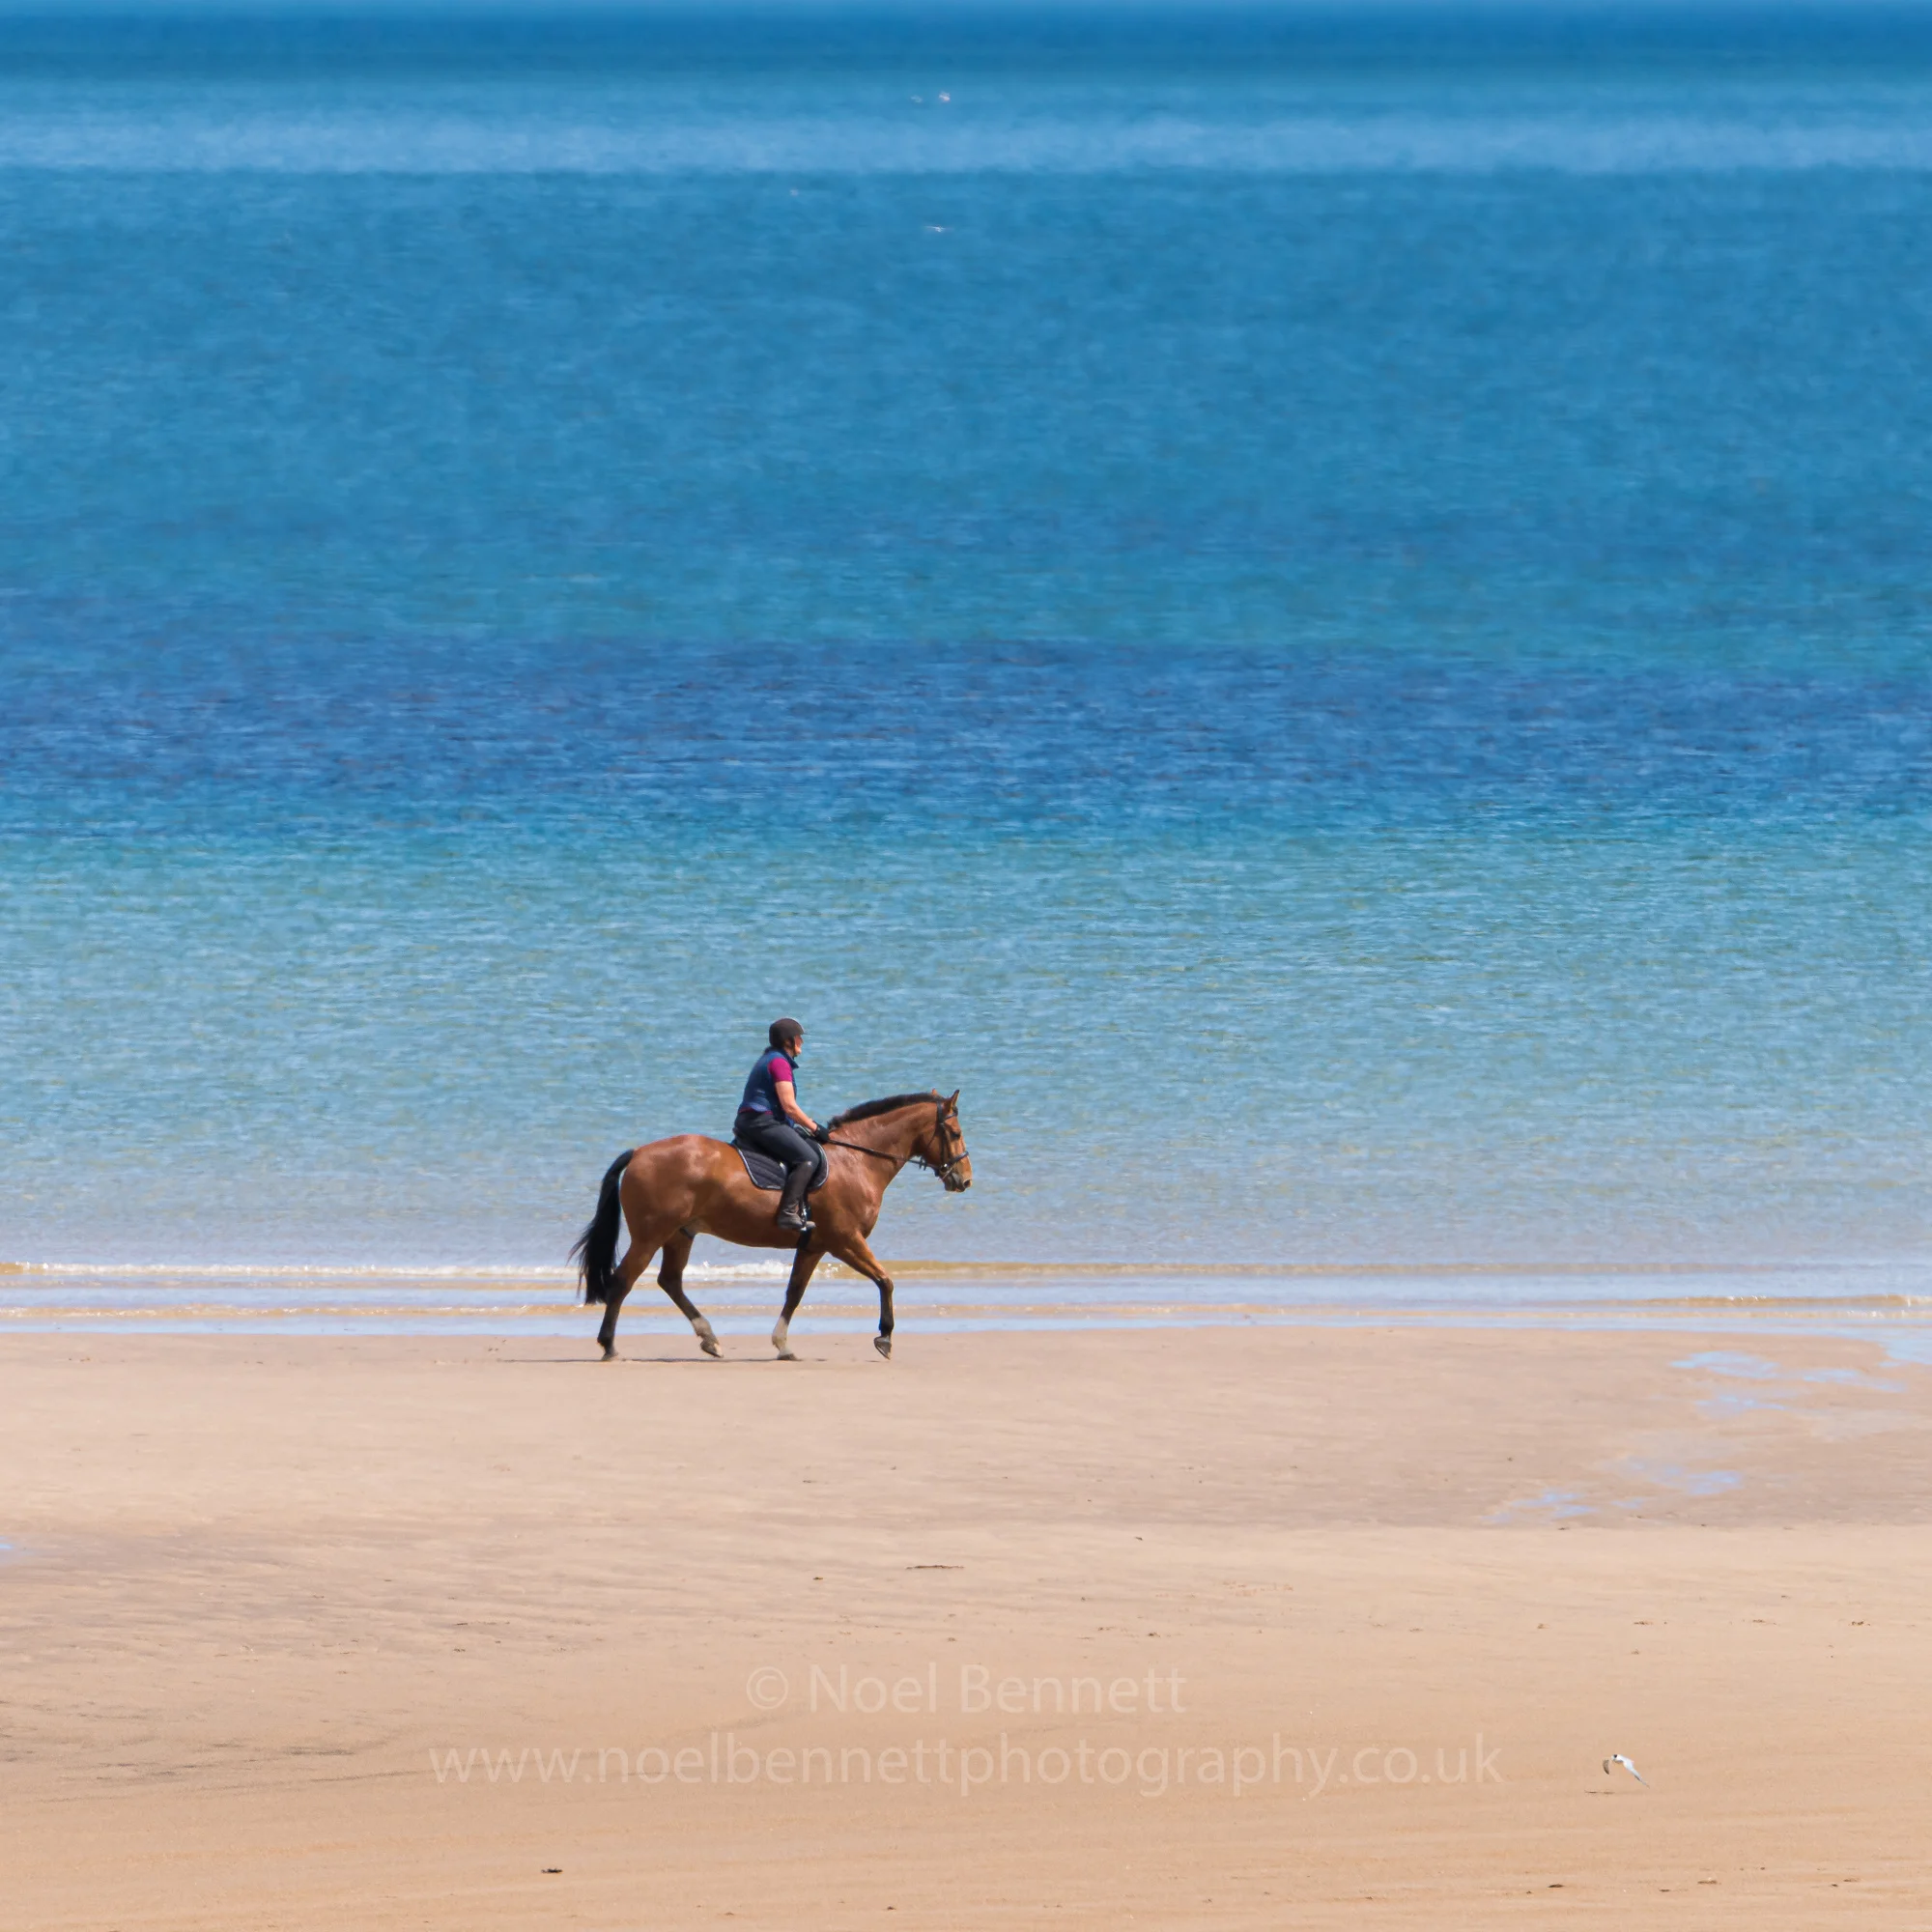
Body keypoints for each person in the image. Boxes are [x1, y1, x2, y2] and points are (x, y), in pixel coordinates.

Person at [733, 1018, 826, 1235]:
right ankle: (787, 1212)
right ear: (788, 1041)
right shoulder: (779, 1063)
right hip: (761, 1122)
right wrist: (815, 1128)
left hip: (756, 1121)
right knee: (807, 1158)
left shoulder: (772, 1058)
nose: (801, 1041)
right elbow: (789, 1106)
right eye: (798, 1037)